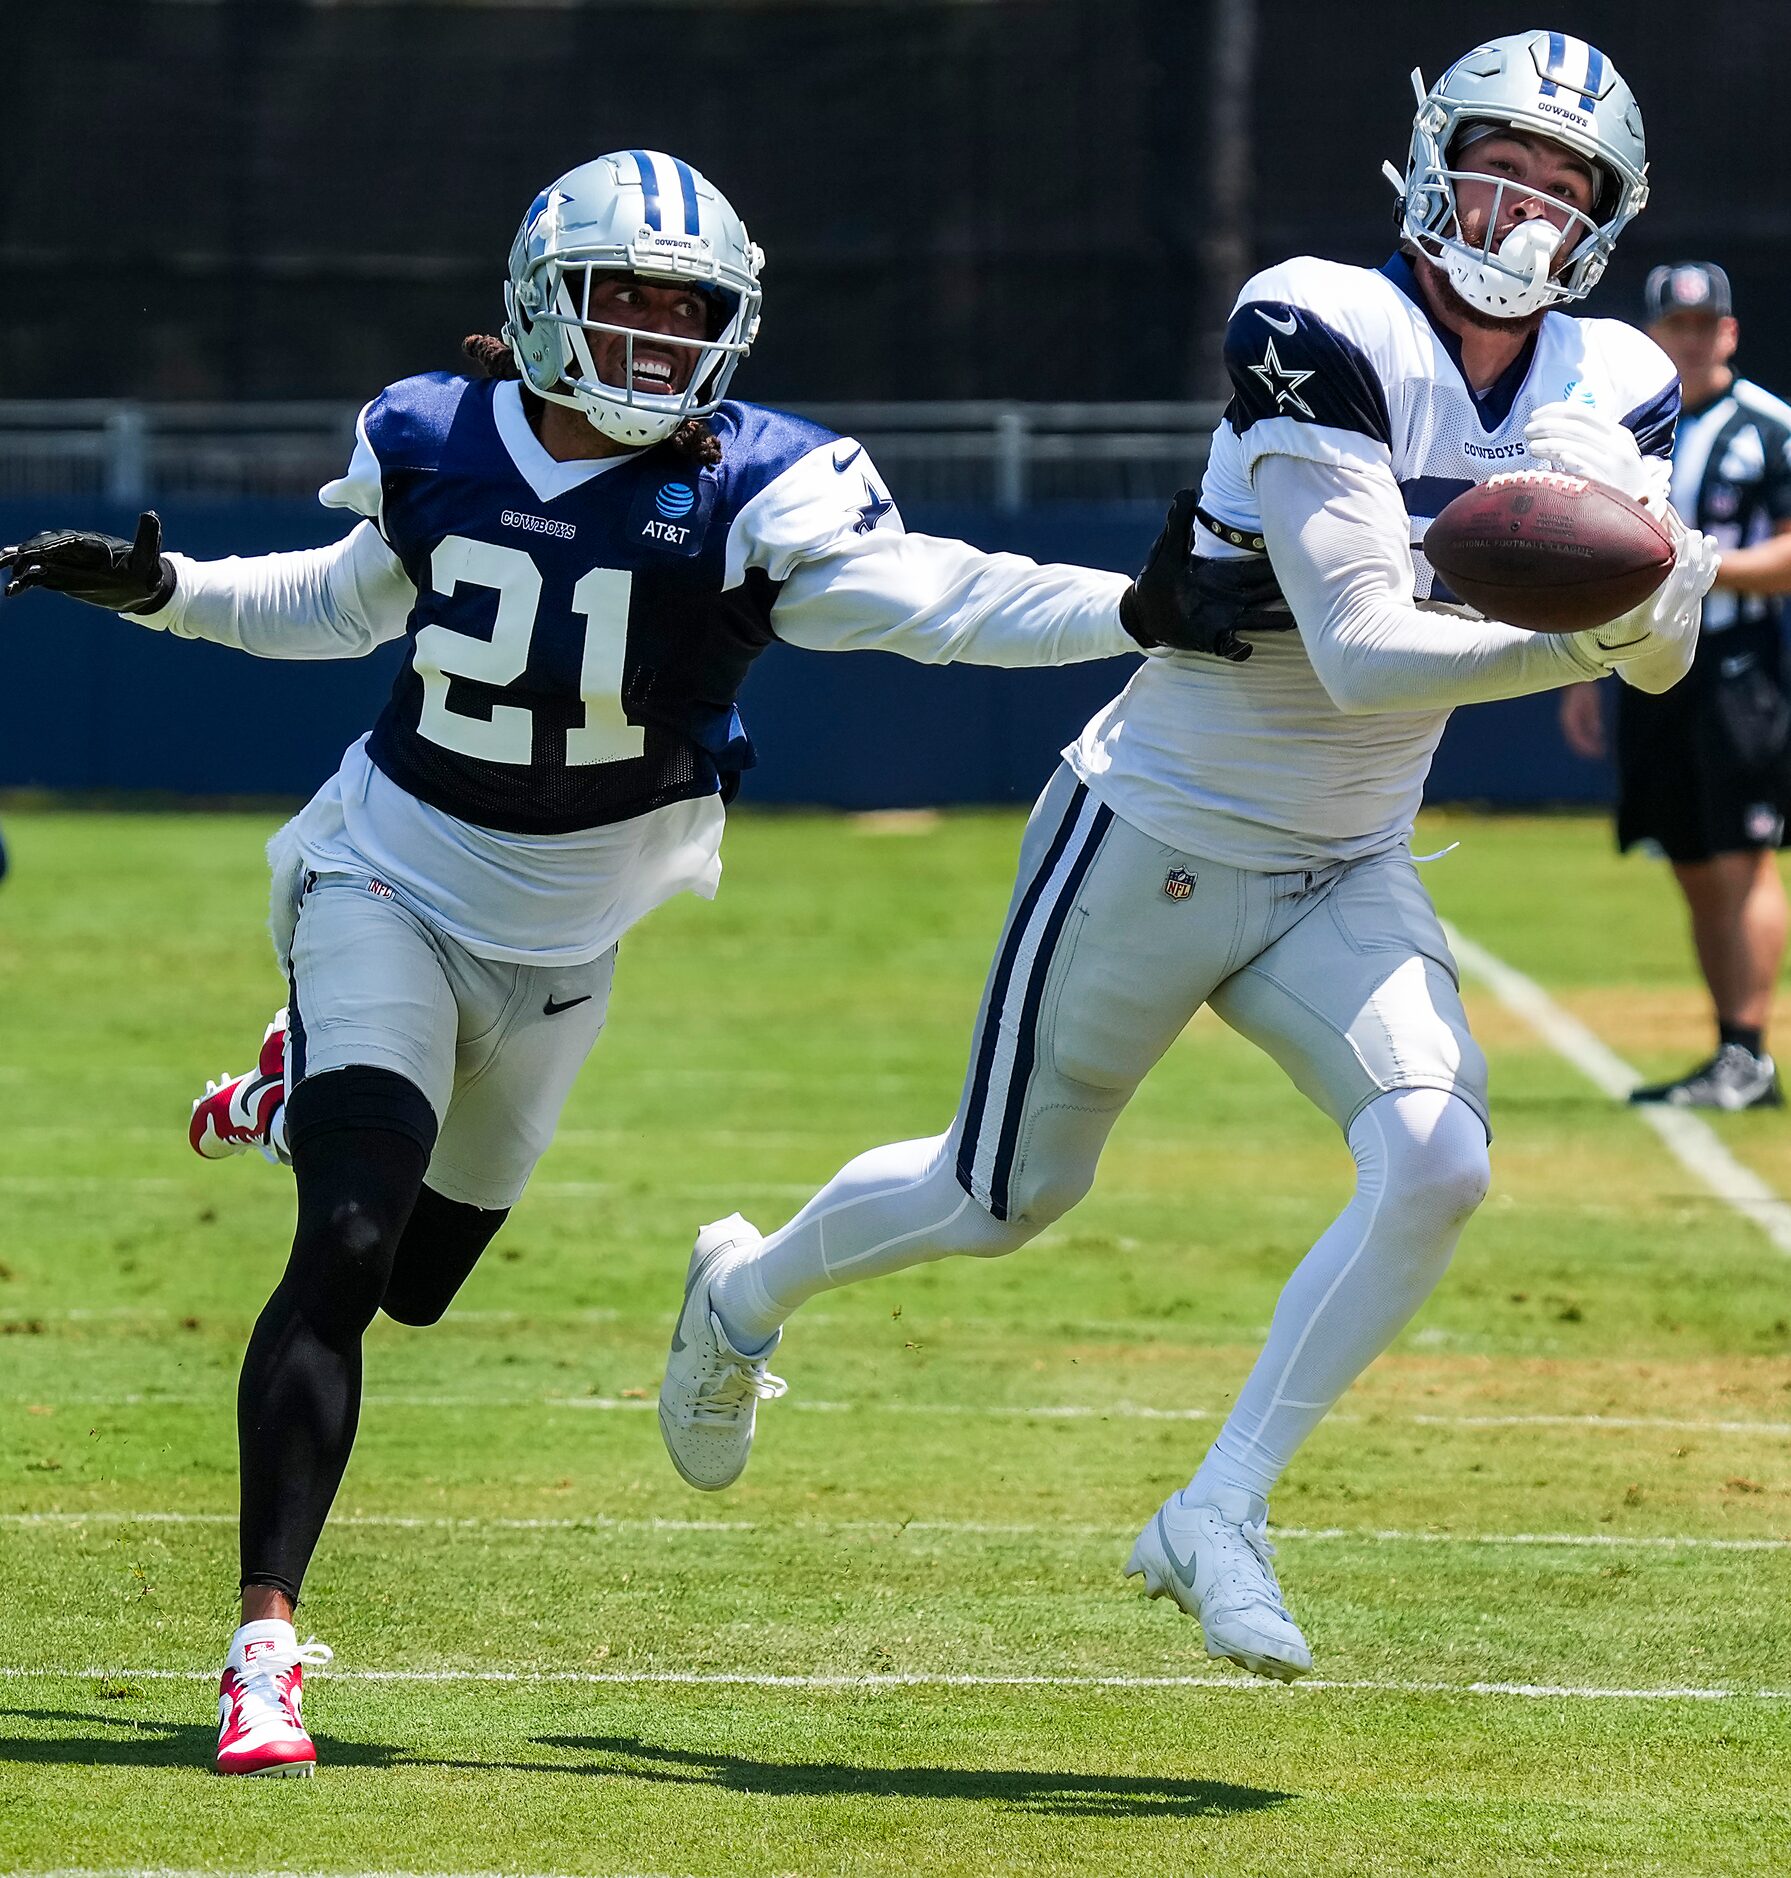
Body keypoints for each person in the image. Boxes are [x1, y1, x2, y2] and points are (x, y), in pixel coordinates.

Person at [0, 150, 1210, 1776]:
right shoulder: (430, 432)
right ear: (538, 299)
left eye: (684, 310)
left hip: (570, 945)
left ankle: (300, 1084)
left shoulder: (758, 486)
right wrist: (168, 591)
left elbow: (941, 599)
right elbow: (341, 600)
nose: (652, 338)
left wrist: (1126, 607)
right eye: (621, 299)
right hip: (388, 875)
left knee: (419, 1279)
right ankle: (263, 1643)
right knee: (349, 1242)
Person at [656, 33, 1720, 1683]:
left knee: (1438, 1156)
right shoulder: (1319, 319)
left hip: (1347, 858)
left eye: (1561, 179)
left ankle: (1218, 1504)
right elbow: (1367, 649)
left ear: (1606, 215)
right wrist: (1605, 630)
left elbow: (1657, 658)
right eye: (1500, 158)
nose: (1522, 200)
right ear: (1433, 155)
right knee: (1000, 1193)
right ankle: (743, 1295)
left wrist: (1656, 606)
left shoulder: (1611, 383)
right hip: (1158, 823)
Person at [1560, 262, 1791, 1108]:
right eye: (1676, 328)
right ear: (1654, 335)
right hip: (1649, 668)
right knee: (1690, 860)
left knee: (1742, 859)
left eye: (1705, 327)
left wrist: (1690, 571)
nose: (1690, 341)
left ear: (1727, 332)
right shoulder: (1625, 432)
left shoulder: (1767, 428)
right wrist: (1580, 666)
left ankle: (1749, 1052)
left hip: (1735, 671)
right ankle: (1730, 1050)